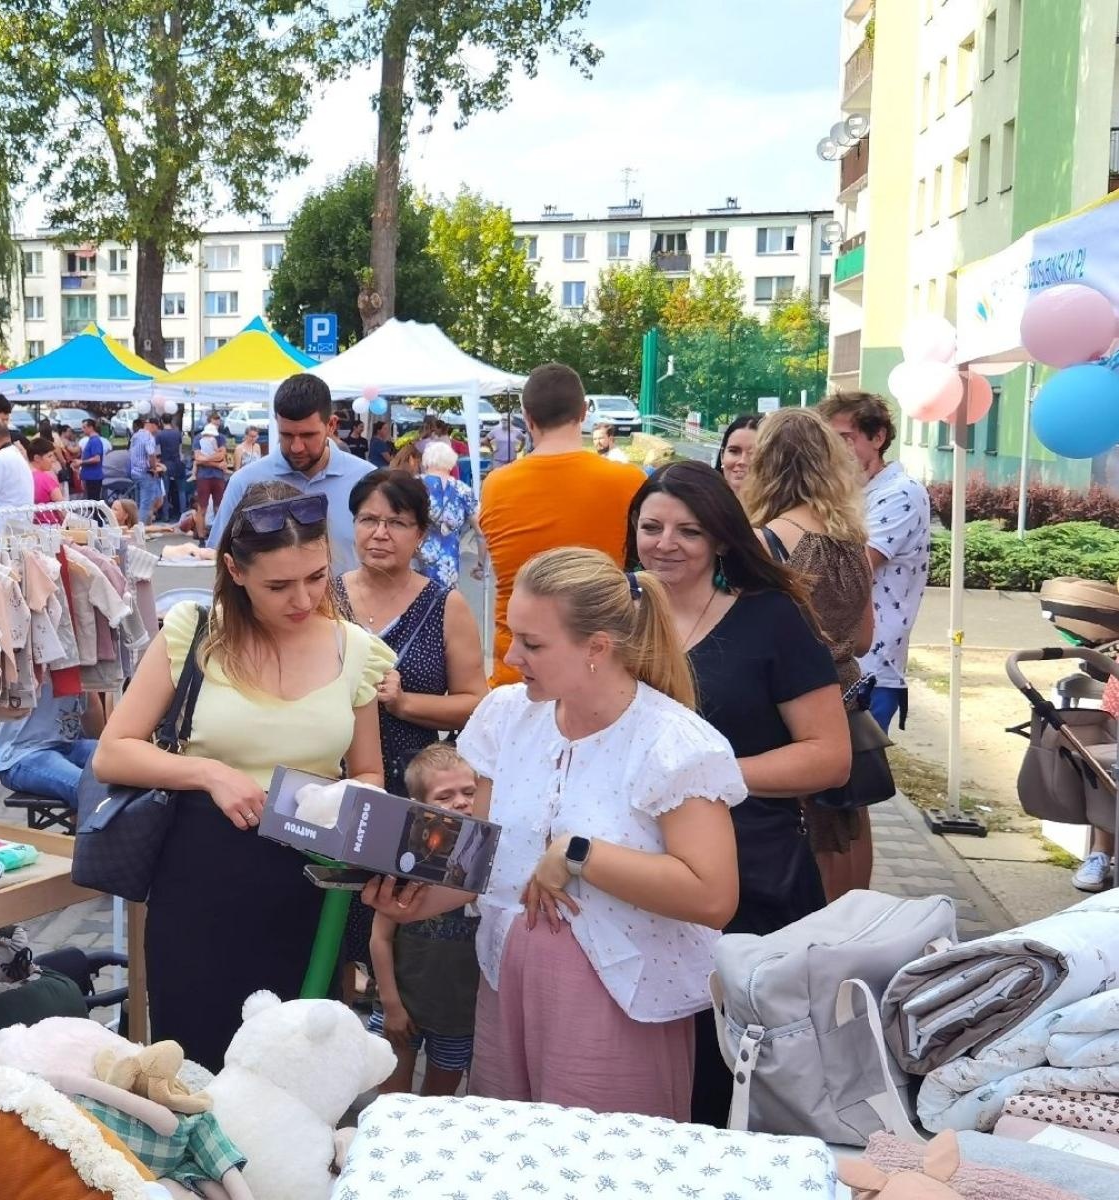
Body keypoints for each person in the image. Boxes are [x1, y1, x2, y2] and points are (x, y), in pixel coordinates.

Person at [363, 547, 747, 1117]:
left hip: (614, 990)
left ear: (598, 647)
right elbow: (479, 855)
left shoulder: (672, 743)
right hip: (506, 972)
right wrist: (409, 897)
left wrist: (579, 854)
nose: (513, 656)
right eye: (513, 635)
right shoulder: (507, 715)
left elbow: (713, 897)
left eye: (533, 644)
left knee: (596, 1163)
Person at [93, 482, 394, 1069]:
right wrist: (208, 772)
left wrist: (360, 798)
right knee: (197, 1064)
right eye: (278, 586)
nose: (303, 599)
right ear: (234, 569)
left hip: (309, 889)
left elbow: (368, 771)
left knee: (299, 1072)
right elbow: (113, 752)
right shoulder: (194, 630)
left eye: (316, 577)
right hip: (200, 882)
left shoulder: (355, 648)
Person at [626, 459, 850, 1125]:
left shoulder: (770, 620)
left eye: (688, 531)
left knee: (736, 1084)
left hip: (751, 878)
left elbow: (828, 756)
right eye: (651, 526)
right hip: (639, 879)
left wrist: (704, 778)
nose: (665, 542)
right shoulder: (617, 615)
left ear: (722, 539)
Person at [744, 408, 874, 903]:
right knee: (847, 822)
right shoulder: (852, 541)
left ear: (767, 465)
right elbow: (862, 639)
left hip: (791, 706)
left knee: (802, 830)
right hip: (846, 696)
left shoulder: (765, 541)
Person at [479, 363, 644, 686]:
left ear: (527, 417)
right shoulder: (629, 480)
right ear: (584, 411)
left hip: (518, 669)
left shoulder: (497, 484)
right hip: (599, 668)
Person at [333, 469, 487, 795]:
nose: (380, 533)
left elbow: (476, 705)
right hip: (329, 779)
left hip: (414, 786)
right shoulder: (325, 600)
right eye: (368, 520)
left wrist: (404, 703)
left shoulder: (445, 606)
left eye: (397, 523)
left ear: (421, 535)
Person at [368, 743, 482, 1096]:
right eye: (445, 796)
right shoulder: (407, 864)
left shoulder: (489, 867)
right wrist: (391, 1004)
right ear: (420, 807)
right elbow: (380, 938)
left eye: (469, 792)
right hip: (401, 1005)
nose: (461, 803)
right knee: (391, 1104)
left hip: (458, 1018)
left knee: (440, 1107)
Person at [818, 392, 930, 737]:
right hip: (829, 661)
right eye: (828, 441)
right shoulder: (842, 494)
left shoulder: (901, 492)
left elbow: (848, 571)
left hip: (870, 670)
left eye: (845, 439)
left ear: (878, 437)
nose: (835, 451)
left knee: (846, 782)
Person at [209, 374, 376, 576]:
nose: (297, 447)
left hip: (349, 607)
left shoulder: (367, 481)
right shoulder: (244, 482)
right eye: (287, 435)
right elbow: (219, 560)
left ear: (331, 425)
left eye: (308, 435)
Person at [0, 678, 99, 806]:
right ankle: (96, 822)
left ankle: (85, 822)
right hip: (22, 753)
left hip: (67, 745)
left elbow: (91, 705)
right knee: (93, 790)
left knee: (123, 763)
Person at [417, 442, 486, 590]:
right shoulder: (463, 490)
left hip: (414, 560)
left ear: (426, 461)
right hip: (448, 565)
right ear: (451, 463)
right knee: (446, 606)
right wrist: (481, 564)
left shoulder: (413, 485)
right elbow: (481, 532)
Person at [192, 422, 228, 542]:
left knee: (218, 507)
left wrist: (205, 459)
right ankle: (202, 537)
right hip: (206, 476)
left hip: (213, 476)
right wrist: (217, 464)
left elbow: (221, 455)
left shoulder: (220, 438)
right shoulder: (198, 438)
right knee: (202, 508)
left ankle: (218, 537)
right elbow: (198, 458)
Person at [129, 413, 165, 524]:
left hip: (135, 471)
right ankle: (140, 528)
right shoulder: (149, 436)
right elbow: (151, 454)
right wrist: (154, 468)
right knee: (146, 503)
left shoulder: (135, 436)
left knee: (156, 498)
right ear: (153, 425)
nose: (157, 431)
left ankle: (147, 522)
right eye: (157, 428)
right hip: (145, 473)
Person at [715, 413, 762, 495]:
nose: (742, 461)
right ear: (722, 455)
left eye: (753, 453)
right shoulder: (699, 504)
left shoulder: (783, 506)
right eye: (734, 451)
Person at [27, 436, 65, 522]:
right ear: (37, 458)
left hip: (32, 525)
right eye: (49, 456)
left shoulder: (24, 477)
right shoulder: (46, 479)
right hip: (51, 526)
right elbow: (62, 510)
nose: (53, 460)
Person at [155, 414, 187, 517]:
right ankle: (182, 513)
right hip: (178, 464)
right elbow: (183, 450)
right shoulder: (178, 433)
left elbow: (157, 451)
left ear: (161, 421)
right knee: (182, 490)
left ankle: (166, 515)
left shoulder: (159, 435)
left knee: (166, 491)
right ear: (171, 421)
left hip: (165, 464)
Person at [78, 418, 105, 501]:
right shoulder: (91, 440)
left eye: (84, 427)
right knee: (91, 501)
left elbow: (97, 459)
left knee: (94, 502)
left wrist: (81, 462)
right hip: (90, 476)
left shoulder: (95, 441)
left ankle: (96, 514)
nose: (82, 430)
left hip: (93, 477)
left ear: (91, 428)